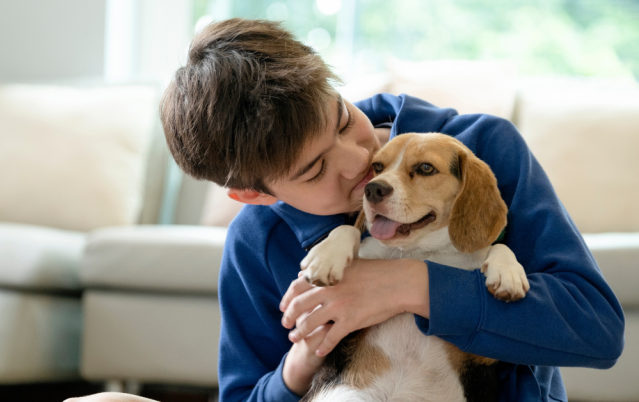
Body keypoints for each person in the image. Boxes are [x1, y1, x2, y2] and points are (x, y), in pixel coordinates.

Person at [70, 17, 625, 402]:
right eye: (313, 170)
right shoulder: (257, 240)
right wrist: (300, 363)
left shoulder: (482, 148)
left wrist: (409, 285)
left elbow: (596, 330)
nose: (360, 162)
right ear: (256, 194)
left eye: (342, 119)